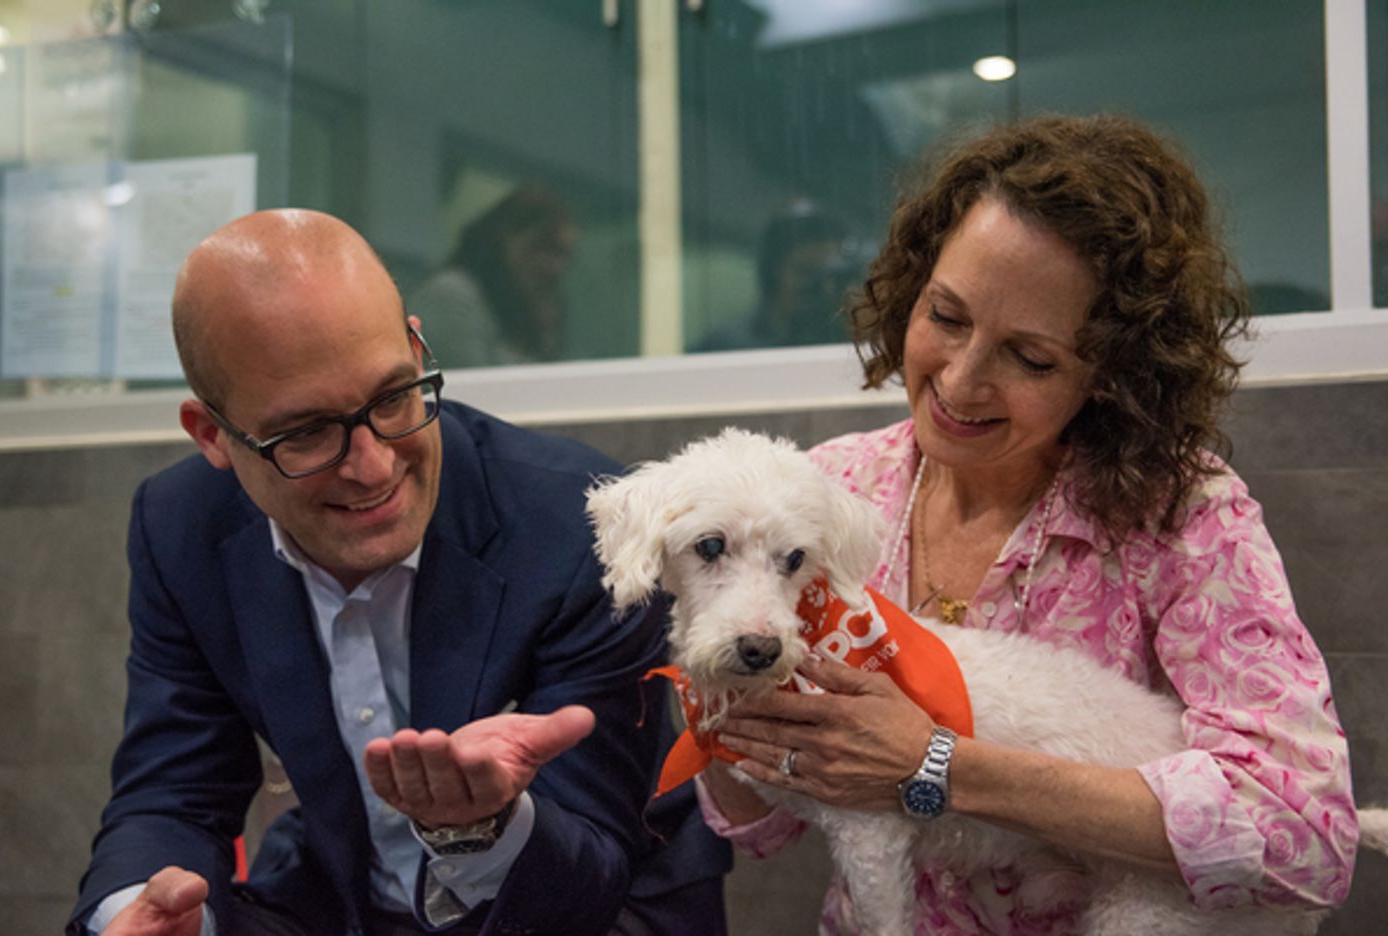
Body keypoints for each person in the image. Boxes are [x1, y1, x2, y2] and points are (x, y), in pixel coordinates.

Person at [695, 114, 1359, 933]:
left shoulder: (1182, 514)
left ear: (1113, 373)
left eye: (1031, 358)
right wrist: (719, 696)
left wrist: (937, 766)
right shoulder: (833, 488)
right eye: (945, 315)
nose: (961, 381)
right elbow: (761, 826)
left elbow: (1303, 837)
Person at [68, 209, 730, 935]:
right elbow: (174, 791)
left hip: (596, 899)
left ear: (417, 351)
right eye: (308, 433)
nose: (376, 466)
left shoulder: (583, 527)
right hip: (347, 897)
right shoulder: (181, 527)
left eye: (392, 398)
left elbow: (593, 863)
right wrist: (134, 916)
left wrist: (484, 826)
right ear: (212, 436)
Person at [408, 185, 578, 368]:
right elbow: (469, 390)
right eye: (543, 247)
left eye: (563, 255)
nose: (554, 267)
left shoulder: (516, 316)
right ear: (502, 238)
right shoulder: (450, 296)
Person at [694, 200, 860, 352]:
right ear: (773, 274)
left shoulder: (849, 344)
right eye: (807, 272)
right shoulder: (727, 346)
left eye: (830, 274)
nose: (822, 285)